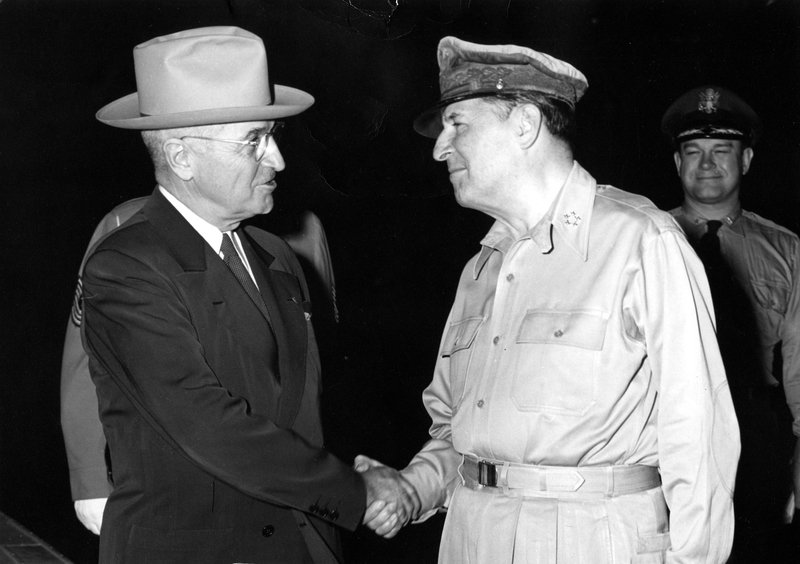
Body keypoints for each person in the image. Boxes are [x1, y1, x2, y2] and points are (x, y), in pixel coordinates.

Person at [359, 36, 741, 562]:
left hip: (591, 542)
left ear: (524, 125)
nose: (439, 148)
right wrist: (411, 488)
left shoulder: (640, 242)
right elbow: (458, 431)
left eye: (458, 125)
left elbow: (699, 440)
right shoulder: (481, 268)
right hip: (471, 540)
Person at [79, 26, 417, 563]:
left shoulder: (276, 256)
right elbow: (207, 424)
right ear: (182, 157)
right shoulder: (127, 266)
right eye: (254, 140)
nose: (279, 159)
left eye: (273, 136)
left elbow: (291, 414)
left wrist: (351, 475)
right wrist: (356, 494)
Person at [61, 200, 338, 536]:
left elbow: (317, 364)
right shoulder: (129, 223)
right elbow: (88, 356)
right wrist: (90, 479)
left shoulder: (303, 230)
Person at [662, 85, 800, 562]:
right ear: (677, 164)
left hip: (755, 435)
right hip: (663, 432)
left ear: (745, 161)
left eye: (721, 151)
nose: (706, 164)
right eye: (693, 152)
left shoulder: (787, 250)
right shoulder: (642, 240)